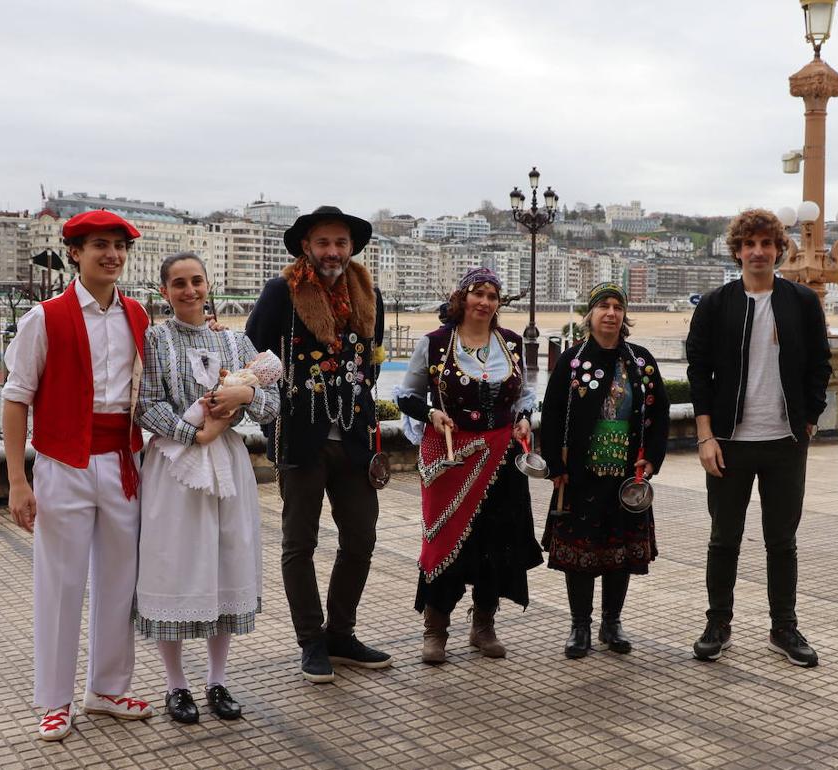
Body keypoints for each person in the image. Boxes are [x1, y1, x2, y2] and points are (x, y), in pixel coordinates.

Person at [2, 210, 154, 740]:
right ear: (75, 253)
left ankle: (106, 689)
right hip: (63, 463)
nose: (112, 255)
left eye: (119, 246)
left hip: (122, 463)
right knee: (60, 583)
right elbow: (16, 399)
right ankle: (55, 700)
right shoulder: (44, 318)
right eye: (100, 246)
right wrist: (18, 481)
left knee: (120, 582)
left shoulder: (138, 315)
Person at [244, 206, 391, 683]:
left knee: (361, 539)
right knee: (299, 543)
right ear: (306, 246)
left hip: (354, 439)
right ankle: (311, 641)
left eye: (340, 243)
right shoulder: (281, 291)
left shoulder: (369, 294)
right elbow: (254, 355)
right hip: (300, 437)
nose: (332, 252)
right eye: (323, 243)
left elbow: (371, 362)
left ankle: (341, 634)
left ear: (351, 248)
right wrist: (273, 415)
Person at [134, 253, 279, 723]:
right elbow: (145, 404)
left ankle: (217, 679)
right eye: (179, 283)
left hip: (227, 464)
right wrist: (193, 434)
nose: (189, 290)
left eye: (196, 280)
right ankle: (175, 684)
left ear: (208, 284)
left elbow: (272, 403)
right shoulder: (154, 339)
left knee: (226, 560)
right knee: (172, 565)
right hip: (174, 465)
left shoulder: (234, 341)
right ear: (164, 291)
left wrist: (247, 394)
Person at [686, 207, 831, 668]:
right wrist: (705, 436)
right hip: (729, 442)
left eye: (767, 243)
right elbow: (698, 373)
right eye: (749, 244)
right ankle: (718, 624)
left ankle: (783, 627)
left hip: (785, 442)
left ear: (778, 249)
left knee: (782, 540)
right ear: (737, 251)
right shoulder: (716, 305)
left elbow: (820, 363)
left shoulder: (801, 302)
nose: (758, 252)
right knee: (723, 539)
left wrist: (809, 418)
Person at [393, 267, 543, 665]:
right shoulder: (434, 343)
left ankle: (483, 626)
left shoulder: (510, 343)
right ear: (463, 298)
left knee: (497, 541)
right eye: (478, 294)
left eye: (492, 296)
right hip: (452, 457)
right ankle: (435, 630)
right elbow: (405, 395)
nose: (485, 302)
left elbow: (524, 395)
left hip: (502, 458)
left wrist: (524, 418)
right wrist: (430, 414)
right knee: (444, 540)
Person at [540, 282, 670, 658]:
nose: (611, 313)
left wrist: (652, 457)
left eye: (617, 307)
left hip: (628, 477)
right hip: (580, 475)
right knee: (579, 553)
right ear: (591, 314)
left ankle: (611, 623)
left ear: (624, 315)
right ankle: (579, 626)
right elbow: (551, 414)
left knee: (622, 552)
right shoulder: (572, 360)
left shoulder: (641, 362)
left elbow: (660, 412)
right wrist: (555, 465)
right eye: (603, 306)